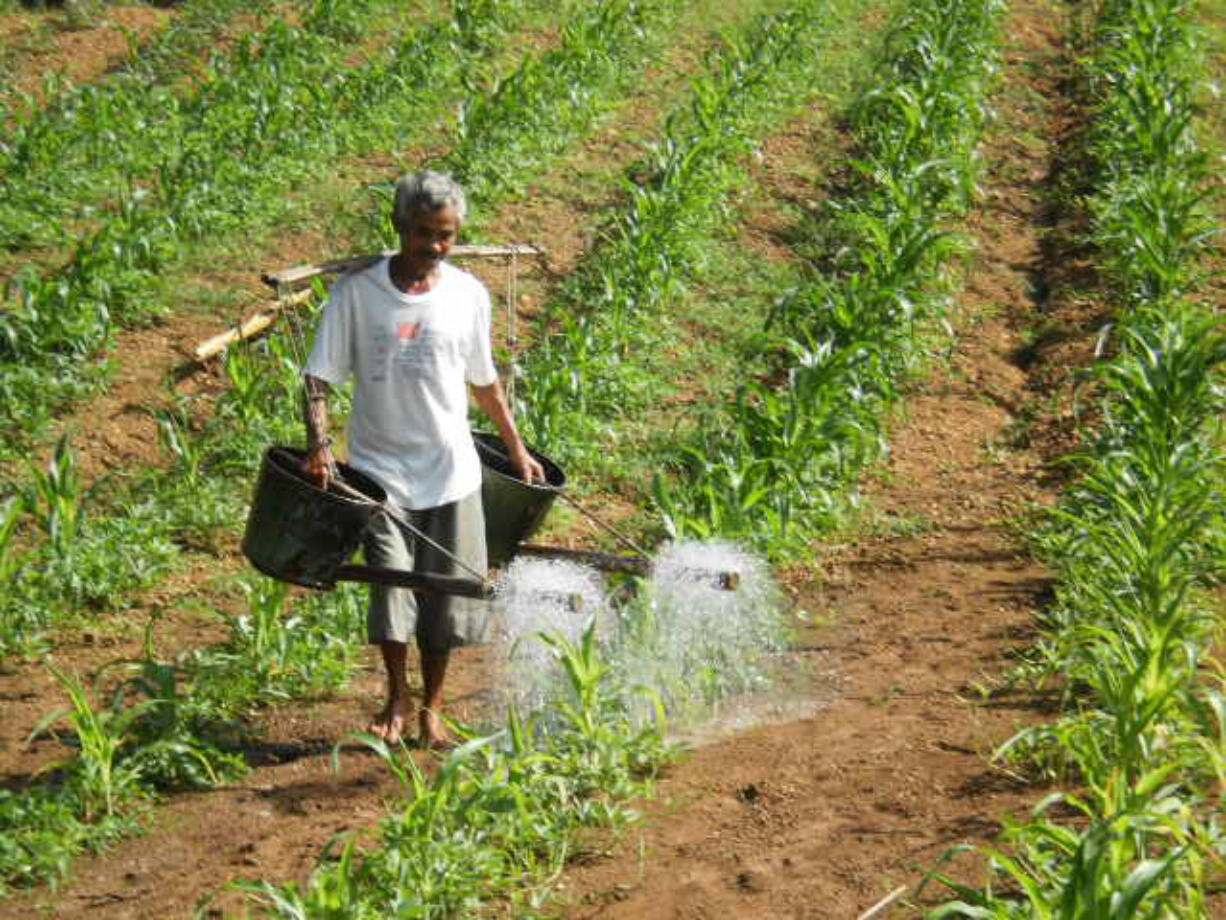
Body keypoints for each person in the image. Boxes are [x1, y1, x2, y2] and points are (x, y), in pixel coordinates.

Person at [301, 170, 544, 749]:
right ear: (398, 226)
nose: (434, 246)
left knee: (447, 594)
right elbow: (318, 377)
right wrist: (318, 443)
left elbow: (484, 383)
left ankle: (432, 705)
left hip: (451, 469)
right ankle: (396, 693)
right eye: (422, 233)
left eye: (446, 235)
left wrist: (515, 447)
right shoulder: (356, 295)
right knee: (391, 583)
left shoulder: (467, 295)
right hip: (378, 474)